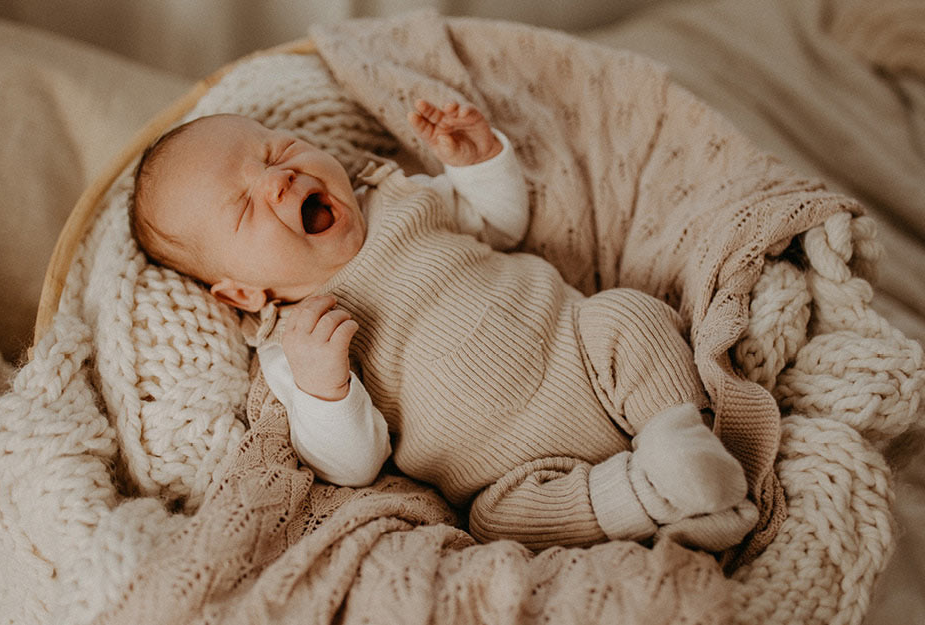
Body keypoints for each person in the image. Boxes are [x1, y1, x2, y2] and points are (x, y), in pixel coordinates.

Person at [129, 99, 758, 551]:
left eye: (276, 150)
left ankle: (679, 430)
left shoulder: (399, 198)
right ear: (241, 289)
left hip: (580, 349)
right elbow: (351, 464)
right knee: (498, 522)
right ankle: (655, 491)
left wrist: (479, 163)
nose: (278, 178)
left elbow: (498, 223)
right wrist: (328, 388)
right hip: (508, 468)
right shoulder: (291, 346)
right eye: (244, 205)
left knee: (630, 314)